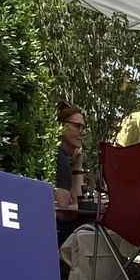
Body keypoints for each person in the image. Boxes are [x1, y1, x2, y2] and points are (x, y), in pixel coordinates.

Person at [53, 101, 88, 246]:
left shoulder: (65, 158)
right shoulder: (57, 158)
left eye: (83, 127)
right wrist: (93, 208)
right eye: (77, 126)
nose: (82, 132)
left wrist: (77, 165)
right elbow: (63, 211)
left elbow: (76, 200)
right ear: (61, 125)